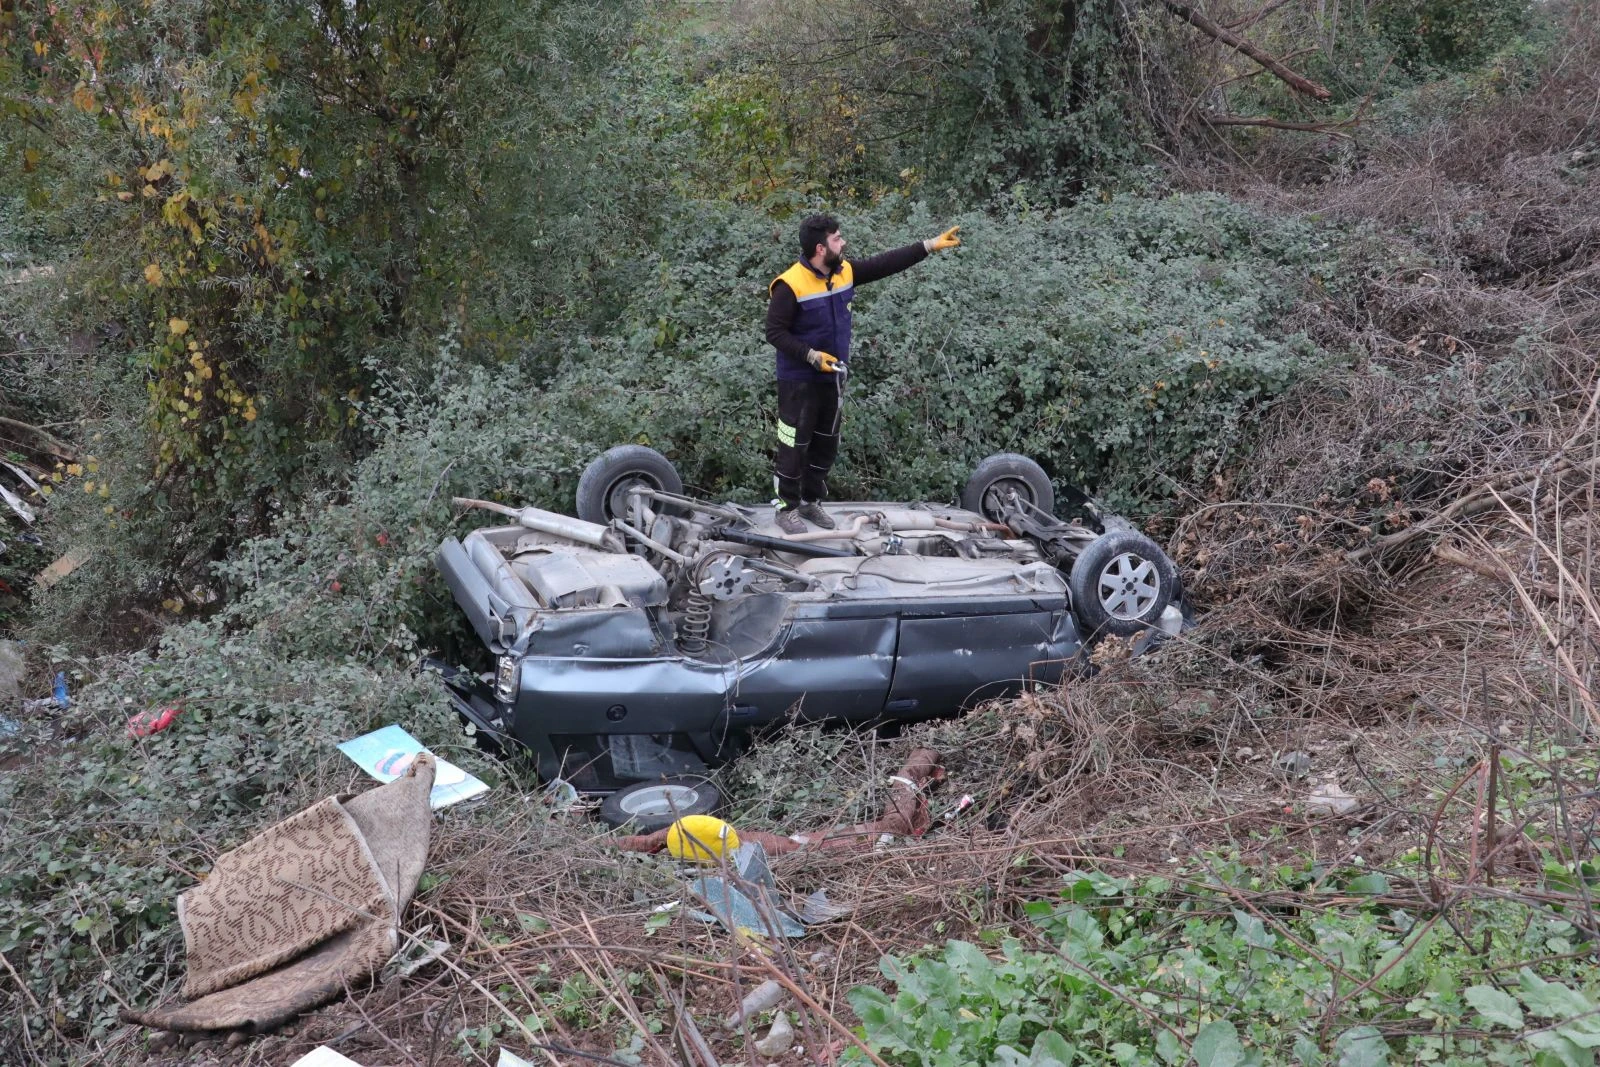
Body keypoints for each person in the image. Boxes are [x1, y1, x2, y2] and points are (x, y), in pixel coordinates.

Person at [765, 214, 962, 534]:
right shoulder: (790, 284)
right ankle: (785, 508)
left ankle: (810, 501)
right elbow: (774, 332)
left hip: (833, 378)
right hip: (798, 381)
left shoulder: (844, 272)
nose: (843, 243)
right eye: (837, 239)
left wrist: (929, 246)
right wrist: (811, 356)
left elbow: (885, 263)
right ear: (820, 248)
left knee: (825, 444)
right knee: (793, 445)